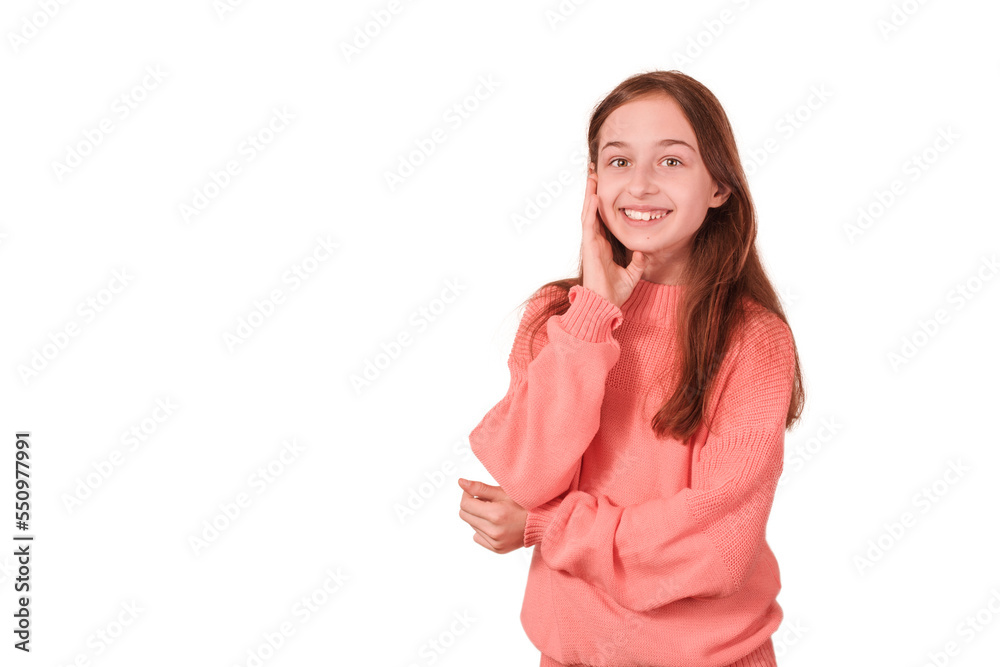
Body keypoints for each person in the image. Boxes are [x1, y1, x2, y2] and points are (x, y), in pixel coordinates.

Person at [457, 69, 805, 667]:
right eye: (619, 161)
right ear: (593, 183)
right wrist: (592, 316)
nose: (640, 185)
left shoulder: (753, 340)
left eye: (671, 161)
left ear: (719, 187)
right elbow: (527, 477)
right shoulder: (558, 317)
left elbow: (715, 547)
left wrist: (546, 527)